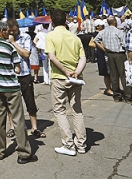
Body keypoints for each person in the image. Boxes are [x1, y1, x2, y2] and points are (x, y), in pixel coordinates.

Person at [0, 20, 37, 164]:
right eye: (7, 31)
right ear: (2, 31)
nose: (9, 33)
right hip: (11, 87)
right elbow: (17, 68)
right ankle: (24, 153)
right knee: (18, 120)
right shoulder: (9, 47)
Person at [47, 10, 87, 156]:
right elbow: (83, 58)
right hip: (76, 77)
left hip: (59, 76)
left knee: (59, 110)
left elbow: (52, 57)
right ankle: (81, 144)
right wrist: (76, 71)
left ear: (52, 21)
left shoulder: (51, 36)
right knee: (77, 110)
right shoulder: (75, 37)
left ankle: (68, 144)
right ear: (65, 21)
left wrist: (65, 71)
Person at [7, 18, 44, 138]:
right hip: (11, 75)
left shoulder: (25, 37)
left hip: (24, 74)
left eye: (14, 30)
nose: (12, 33)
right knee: (11, 103)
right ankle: (12, 127)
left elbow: (26, 54)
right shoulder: (5, 37)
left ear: (17, 28)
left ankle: (34, 127)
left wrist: (13, 43)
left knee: (30, 101)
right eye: (10, 31)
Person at [95, 16, 132, 103]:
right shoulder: (119, 32)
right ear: (115, 22)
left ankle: (117, 96)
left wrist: (104, 49)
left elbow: (96, 40)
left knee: (113, 76)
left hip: (109, 54)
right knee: (124, 75)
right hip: (119, 54)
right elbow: (124, 44)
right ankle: (128, 97)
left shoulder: (103, 32)